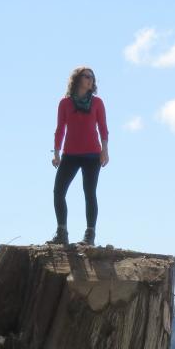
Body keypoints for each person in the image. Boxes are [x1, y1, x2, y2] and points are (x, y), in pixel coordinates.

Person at [49, 66, 109, 246]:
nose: (90, 80)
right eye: (87, 76)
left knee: (89, 193)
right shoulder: (65, 103)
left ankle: (89, 235)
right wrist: (56, 152)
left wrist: (104, 149)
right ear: (77, 79)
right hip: (70, 155)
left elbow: (103, 128)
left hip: (92, 155)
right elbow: (60, 129)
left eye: (92, 77)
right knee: (58, 192)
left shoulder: (97, 103)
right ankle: (62, 233)